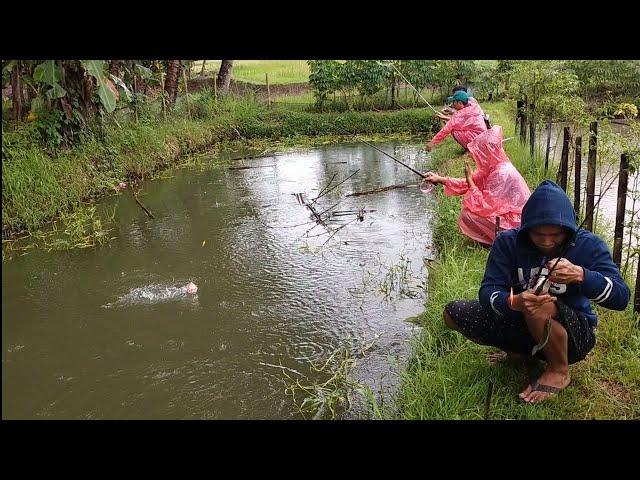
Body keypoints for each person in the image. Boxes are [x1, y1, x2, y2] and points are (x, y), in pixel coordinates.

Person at [442, 180, 630, 403]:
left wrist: (582, 275)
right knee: (453, 314)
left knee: (540, 305)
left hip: (575, 336)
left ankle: (559, 370)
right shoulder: (507, 243)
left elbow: (621, 298)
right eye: (539, 234)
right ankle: (522, 354)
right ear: (526, 228)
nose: (547, 242)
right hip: (523, 320)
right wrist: (514, 302)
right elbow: (488, 291)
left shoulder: (589, 245)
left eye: (556, 235)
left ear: (568, 230)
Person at [423, 125, 530, 246]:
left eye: (479, 153)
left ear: (487, 153)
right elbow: (466, 183)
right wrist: (439, 179)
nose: (474, 157)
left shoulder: (502, 173)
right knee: (469, 210)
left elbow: (485, 206)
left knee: (469, 215)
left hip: (519, 222)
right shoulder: (494, 166)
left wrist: (470, 182)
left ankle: (501, 242)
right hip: (515, 216)